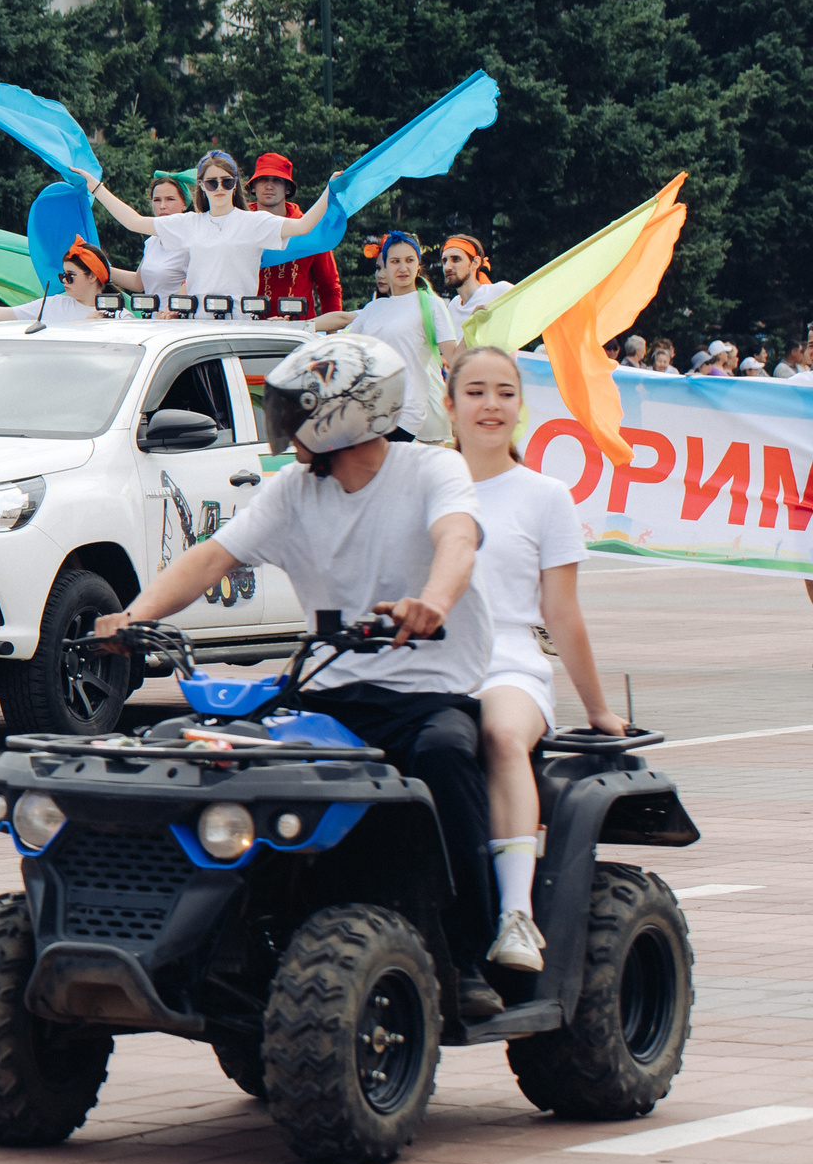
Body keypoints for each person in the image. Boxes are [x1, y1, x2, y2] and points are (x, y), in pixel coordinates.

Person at [94, 332, 505, 1018]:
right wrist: (131, 618)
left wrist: (433, 600)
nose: (282, 425)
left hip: (428, 691)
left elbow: (457, 540)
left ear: (345, 412)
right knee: (204, 745)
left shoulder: (433, 471)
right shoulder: (293, 490)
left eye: (294, 409)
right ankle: (233, 934)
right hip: (328, 692)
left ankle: (468, 953)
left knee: (446, 755)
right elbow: (212, 559)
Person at [447, 345, 627, 973]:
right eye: (475, 391)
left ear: (520, 407)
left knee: (499, 735)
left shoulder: (545, 495)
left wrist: (599, 709)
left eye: (504, 392)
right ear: (449, 405)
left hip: (508, 663)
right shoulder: (419, 481)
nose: (490, 404)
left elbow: (563, 613)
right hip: (424, 666)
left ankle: (515, 915)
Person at [84, 150, 334, 318]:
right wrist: (96, 187)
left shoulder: (252, 222)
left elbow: (304, 227)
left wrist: (330, 191)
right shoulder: (190, 223)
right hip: (196, 324)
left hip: (238, 322)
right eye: (212, 182)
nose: (219, 188)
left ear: (235, 184)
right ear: (202, 185)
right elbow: (134, 222)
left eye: (226, 181)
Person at [309, 232, 461, 442]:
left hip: (404, 417)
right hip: (369, 414)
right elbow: (342, 350)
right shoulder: (374, 308)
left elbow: (454, 357)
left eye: (409, 260)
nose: (402, 268)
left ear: (418, 264)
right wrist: (292, 326)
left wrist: (477, 329)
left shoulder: (431, 304)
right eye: (395, 261)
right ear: (386, 267)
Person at [245, 153, 343, 319]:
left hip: (299, 332)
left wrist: (331, 334)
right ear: (253, 186)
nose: (269, 185)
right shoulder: (239, 225)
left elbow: (329, 286)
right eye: (263, 179)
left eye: (276, 180)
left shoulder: (311, 230)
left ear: (288, 188)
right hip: (246, 329)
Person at [440, 235, 513, 318]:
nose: (447, 267)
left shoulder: (500, 291)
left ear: (475, 263)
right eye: (444, 261)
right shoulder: (453, 307)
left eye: (456, 259)